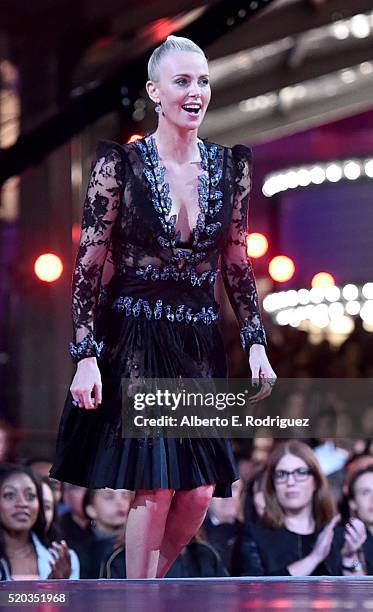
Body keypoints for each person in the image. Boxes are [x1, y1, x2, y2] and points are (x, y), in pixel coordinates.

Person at [49, 34, 276, 579]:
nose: (195, 91)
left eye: (202, 81)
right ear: (155, 92)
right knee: (155, 482)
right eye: (182, 81)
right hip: (135, 336)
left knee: (198, 493)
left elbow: (238, 266)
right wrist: (84, 355)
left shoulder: (230, 168)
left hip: (199, 343)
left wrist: (256, 344)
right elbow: (88, 264)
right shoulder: (118, 166)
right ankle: (137, 597)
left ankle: (135, 582)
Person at [231, 440, 366, 576]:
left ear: (315, 481)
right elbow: (252, 591)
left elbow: (361, 595)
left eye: (300, 472)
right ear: (273, 485)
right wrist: (314, 558)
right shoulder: (253, 536)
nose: (291, 482)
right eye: (282, 474)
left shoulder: (337, 536)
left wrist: (350, 558)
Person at [0, 464, 78, 580]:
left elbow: (73, 598)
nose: (22, 503)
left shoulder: (62, 559)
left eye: (30, 496)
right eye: (10, 495)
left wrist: (57, 586)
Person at [76, 487, 133, 578]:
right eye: (109, 497)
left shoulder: (137, 547)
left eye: (125, 496)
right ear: (91, 510)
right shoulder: (80, 553)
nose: (120, 502)